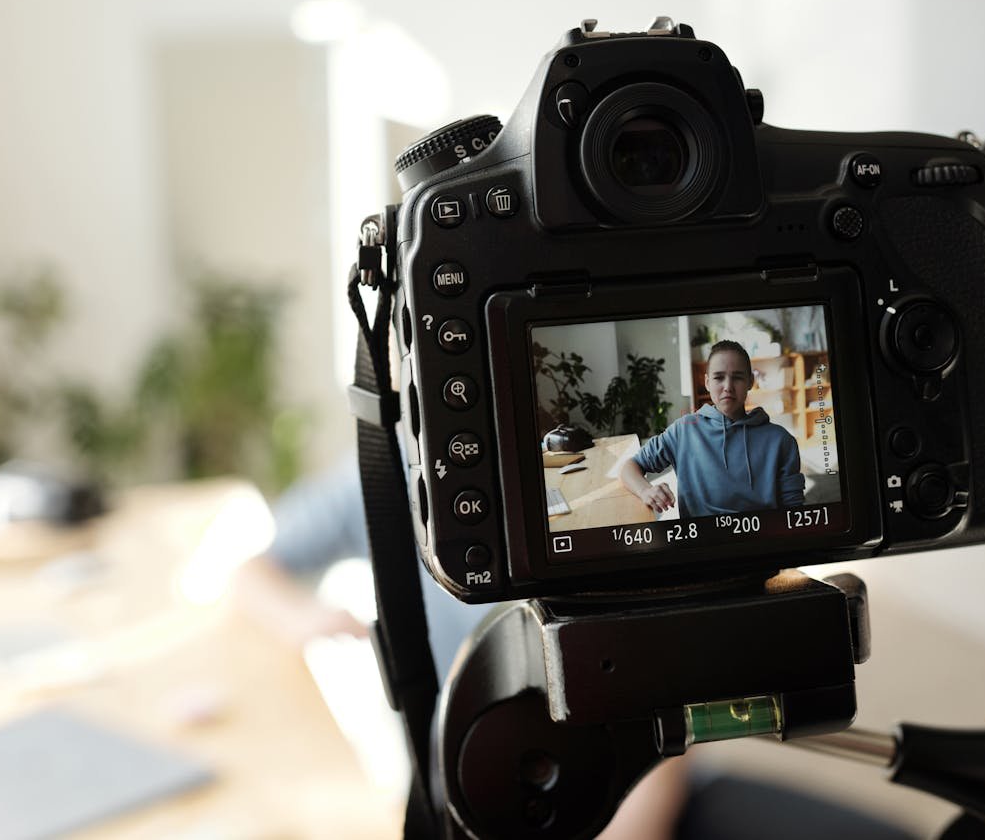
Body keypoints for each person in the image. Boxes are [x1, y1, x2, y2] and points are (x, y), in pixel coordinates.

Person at [233, 450, 689, 839]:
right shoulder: (385, 465)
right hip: (455, 770)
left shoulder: (588, 484)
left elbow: (659, 707)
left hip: (614, 770)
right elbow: (251, 573)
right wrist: (308, 620)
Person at [620, 339, 806, 516]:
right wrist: (646, 491)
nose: (728, 387)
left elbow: (794, 510)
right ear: (707, 382)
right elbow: (630, 466)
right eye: (719, 378)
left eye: (738, 378)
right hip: (702, 542)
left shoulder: (780, 440)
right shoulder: (684, 430)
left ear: (750, 381)